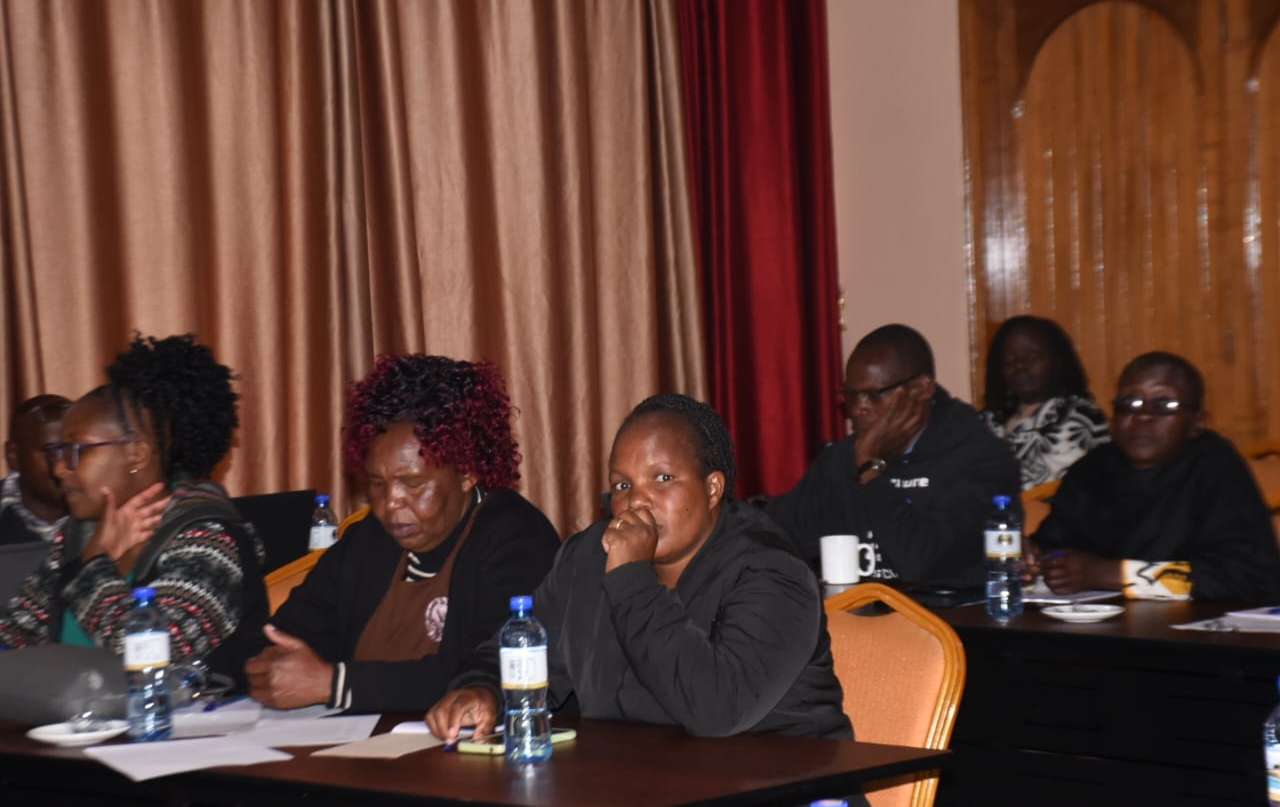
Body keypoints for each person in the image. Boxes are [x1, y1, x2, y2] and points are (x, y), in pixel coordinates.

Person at [428, 393, 851, 744]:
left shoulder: (772, 574)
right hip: (638, 785)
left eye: (662, 479)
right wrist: (482, 690)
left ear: (712, 488)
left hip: (783, 788)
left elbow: (717, 711)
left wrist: (632, 578)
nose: (636, 501)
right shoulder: (587, 558)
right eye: (623, 485)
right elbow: (523, 650)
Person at [246, 354, 560, 713]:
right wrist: (269, 665)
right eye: (378, 483)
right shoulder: (368, 540)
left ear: (467, 472)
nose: (390, 503)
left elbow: (493, 670)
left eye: (412, 483)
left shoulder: (517, 540)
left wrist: (335, 684)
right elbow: (289, 632)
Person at [0, 334, 267, 681]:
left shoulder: (207, 539)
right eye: (58, 453)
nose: (60, 469)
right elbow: (12, 637)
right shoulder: (77, 532)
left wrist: (93, 566)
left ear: (136, 454)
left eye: (76, 451)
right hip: (72, 713)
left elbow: (151, 662)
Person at [767, 324, 1021, 590]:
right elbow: (778, 531)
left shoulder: (981, 460)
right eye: (851, 396)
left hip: (946, 613)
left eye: (873, 395)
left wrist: (870, 469)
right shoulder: (841, 459)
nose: (859, 408)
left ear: (922, 388)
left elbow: (918, 564)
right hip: (853, 613)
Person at [1028, 352, 1280, 601]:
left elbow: (1246, 576)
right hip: (1105, 619)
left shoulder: (1216, 467)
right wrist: (1034, 560)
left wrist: (1111, 574)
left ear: (1197, 423)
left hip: (1205, 623)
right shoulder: (1093, 468)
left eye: (1164, 405)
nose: (1143, 416)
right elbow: (1055, 545)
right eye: (1129, 403)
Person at [979, 315, 1109, 490]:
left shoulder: (1078, 417)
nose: (1019, 366)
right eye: (1009, 359)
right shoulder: (988, 420)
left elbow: (1040, 487)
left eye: (1032, 357)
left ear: (1058, 361)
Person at [2, 395, 72, 545]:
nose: (65, 464)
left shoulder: (108, 514)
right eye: (53, 451)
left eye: (74, 450)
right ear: (13, 455)